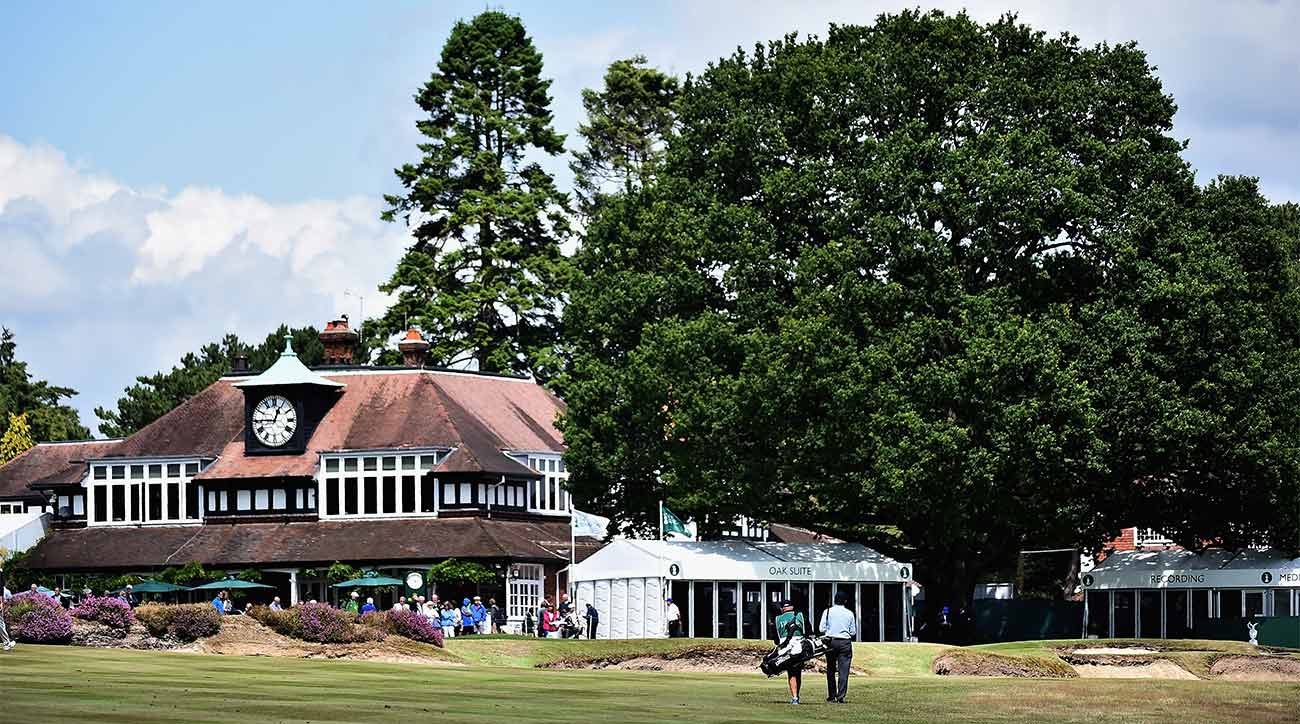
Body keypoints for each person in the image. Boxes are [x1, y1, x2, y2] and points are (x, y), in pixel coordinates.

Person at [819, 592, 857, 704]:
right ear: (845, 601)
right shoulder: (849, 613)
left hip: (831, 641)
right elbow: (853, 631)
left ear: (834, 600)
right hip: (845, 642)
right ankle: (841, 696)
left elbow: (821, 629)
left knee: (830, 669)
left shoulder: (828, 611)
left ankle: (831, 695)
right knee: (843, 671)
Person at [773, 600, 808, 705]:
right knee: (798, 672)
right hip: (800, 647)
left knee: (791, 673)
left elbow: (776, 639)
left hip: (786, 649)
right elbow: (808, 631)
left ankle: (795, 697)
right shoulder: (801, 615)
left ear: (783, 608)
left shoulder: (778, 619)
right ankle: (796, 695)